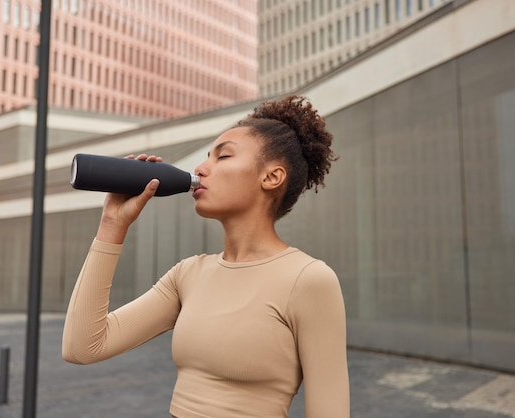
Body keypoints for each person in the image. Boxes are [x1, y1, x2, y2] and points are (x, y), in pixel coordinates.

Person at [62, 95, 350, 417]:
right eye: (206, 157)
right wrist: (113, 224)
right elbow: (82, 346)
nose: (201, 169)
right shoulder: (187, 275)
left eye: (223, 156)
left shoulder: (308, 279)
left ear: (271, 177)